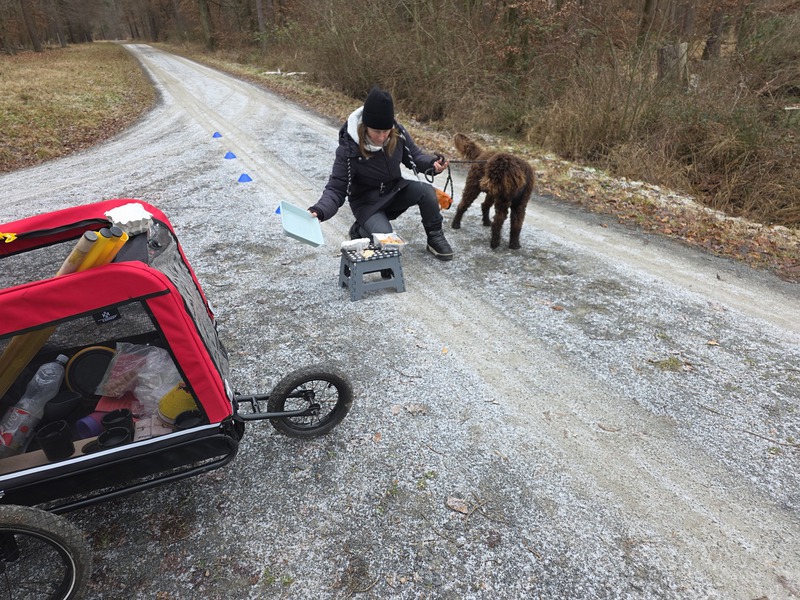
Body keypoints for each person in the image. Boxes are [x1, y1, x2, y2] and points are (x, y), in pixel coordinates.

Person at [308, 86, 454, 261]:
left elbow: (415, 157)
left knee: (426, 191)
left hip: (395, 191)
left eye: (386, 131)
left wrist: (432, 164)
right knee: (388, 243)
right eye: (377, 131)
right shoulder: (348, 150)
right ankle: (360, 229)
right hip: (368, 204)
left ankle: (435, 237)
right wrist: (320, 210)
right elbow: (336, 189)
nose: (382, 137)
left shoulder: (398, 134)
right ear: (365, 126)